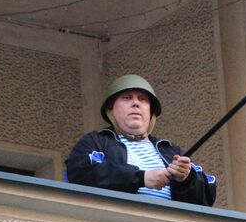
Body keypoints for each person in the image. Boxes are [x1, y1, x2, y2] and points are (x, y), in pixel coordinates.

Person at [65, 75, 216, 206]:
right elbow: (81, 174)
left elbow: (207, 198)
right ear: (110, 109)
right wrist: (141, 178)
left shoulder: (171, 152)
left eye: (143, 99)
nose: (136, 103)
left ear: (151, 113)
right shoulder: (95, 142)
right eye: (127, 97)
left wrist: (187, 179)